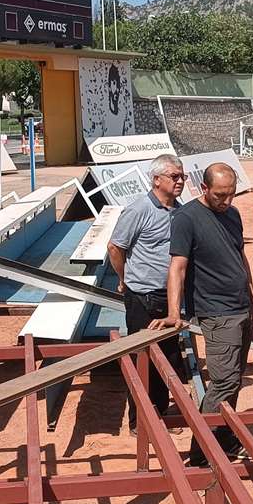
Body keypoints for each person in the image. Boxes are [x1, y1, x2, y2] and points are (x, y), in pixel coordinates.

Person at [150, 163, 253, 468]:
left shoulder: (233, 215)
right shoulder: (187, 218)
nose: (226, 201)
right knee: (223, 382)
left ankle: (224, 440)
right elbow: (178, 267)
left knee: (234, 380)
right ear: (203, 188)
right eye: (219, 195)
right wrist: (175, 313)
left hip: (240, 307)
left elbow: (239, 257)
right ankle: (201, 453)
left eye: (231, 194)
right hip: (216, 312)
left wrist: (252, 302)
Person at [107, 154, 187, 430]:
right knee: (142, 357)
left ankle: (161, 414)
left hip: (170, 296)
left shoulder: (180, 210)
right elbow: (115, 248)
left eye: (182, 176)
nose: (180, 181)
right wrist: (125, 279)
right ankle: (139, 421)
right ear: (156, 180)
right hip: (142, 295)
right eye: (174, 177)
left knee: (167, 356)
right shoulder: (139, 210)